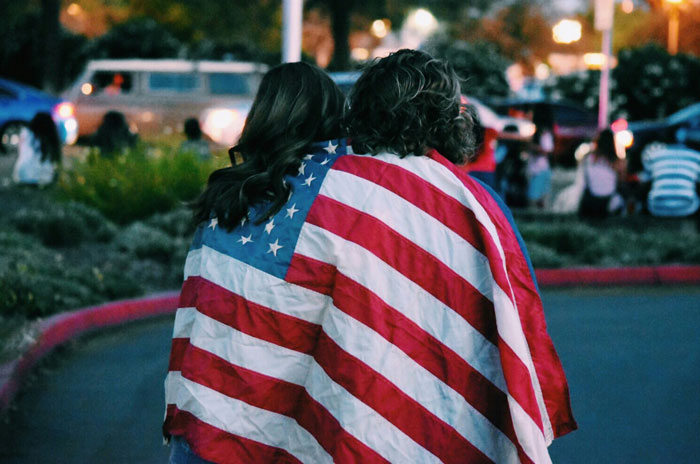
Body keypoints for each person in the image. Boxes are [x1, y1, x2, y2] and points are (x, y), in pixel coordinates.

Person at [164, 52, 575, 464]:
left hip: (228, 417)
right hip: (435, 414)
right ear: (451, 117)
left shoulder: (319, 192)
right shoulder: (479, 208)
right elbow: (517, 319)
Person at [639, 128, 700, 218]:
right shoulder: (696, 156)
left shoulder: (652, 153)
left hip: (656, 207)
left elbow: (644, 177)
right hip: (688, 207)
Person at [578, 128, 626, 218]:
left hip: (590, 203)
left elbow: (584, 181)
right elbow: (621, 182)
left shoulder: (589, 158)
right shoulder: (617, 161)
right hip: (608, 203)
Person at [12, 113, 61, 186]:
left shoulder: (25, 132)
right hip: (44, 179)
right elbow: (55, 160)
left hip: (22, 176)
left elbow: (20, 151)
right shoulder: (50, 137)